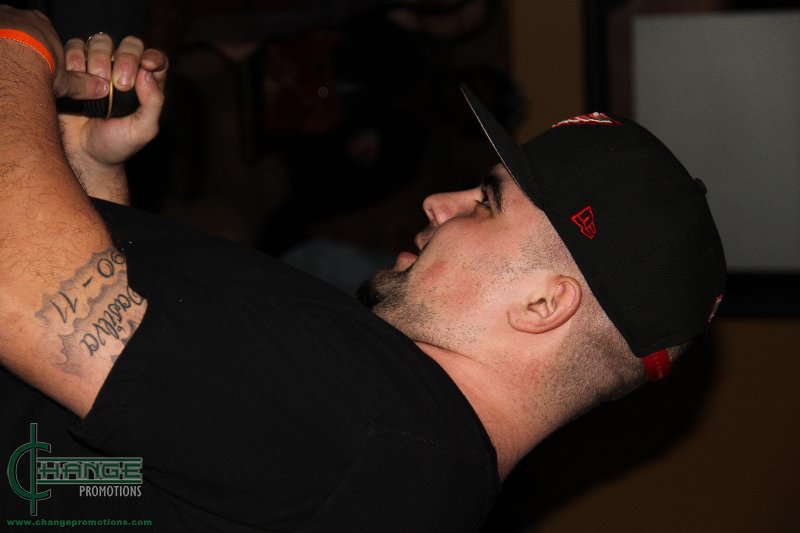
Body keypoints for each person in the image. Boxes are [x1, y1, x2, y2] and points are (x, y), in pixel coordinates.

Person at [0, 5, 726, 532]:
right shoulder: (406, 459)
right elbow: (118, 408)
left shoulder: (370, 423)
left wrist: (19, 48)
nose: (441, 202)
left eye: (487, 204)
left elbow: (25, 301)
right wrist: (87, 165)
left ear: (545, 304)